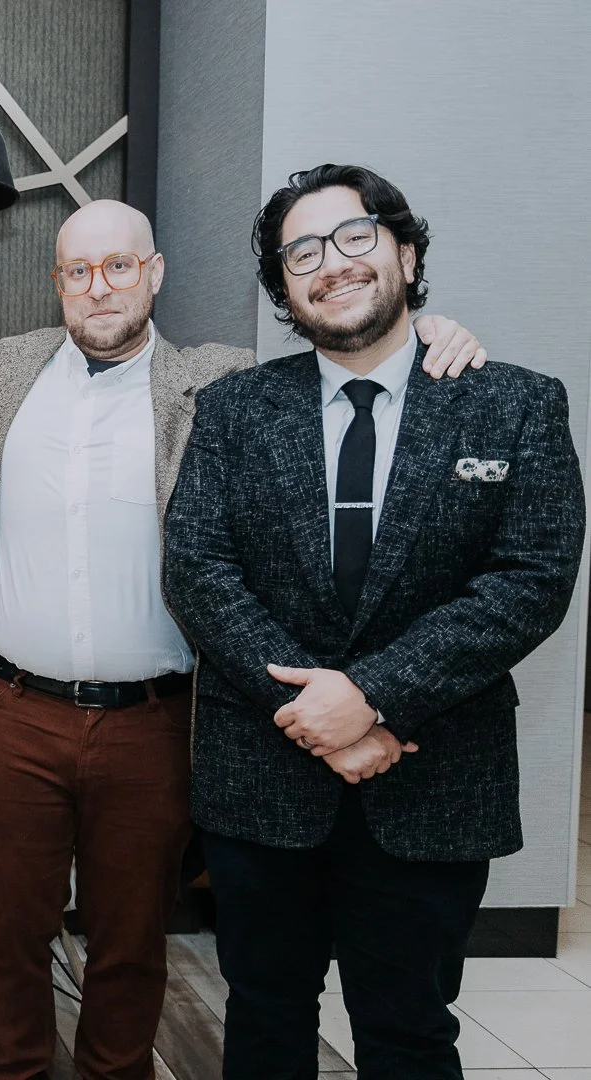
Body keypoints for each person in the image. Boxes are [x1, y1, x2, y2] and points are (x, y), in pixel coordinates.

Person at [0, 201, 485, 1080]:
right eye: (78, 272)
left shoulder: (221, 378)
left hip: (155, 720)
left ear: (155, 272)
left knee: (129, 941)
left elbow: (344, 352)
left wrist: (436, 333)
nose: (99, 288)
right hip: (12, 712)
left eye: (119, 266)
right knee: (4, 933)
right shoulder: (5, 368)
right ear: (57, 285)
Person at [163, 164, 584, 1080]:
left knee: (410, 1035)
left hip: (430, 780)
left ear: (406, 251)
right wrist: (317, 712)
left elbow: (531, 579)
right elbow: (196, 567)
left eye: (354, 237)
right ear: (283, 288)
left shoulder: (513, 404)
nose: (332, 264)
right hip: (264, 782)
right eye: (302, 253)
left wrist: (375, 699)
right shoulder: (235, 410)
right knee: (265, 1022)